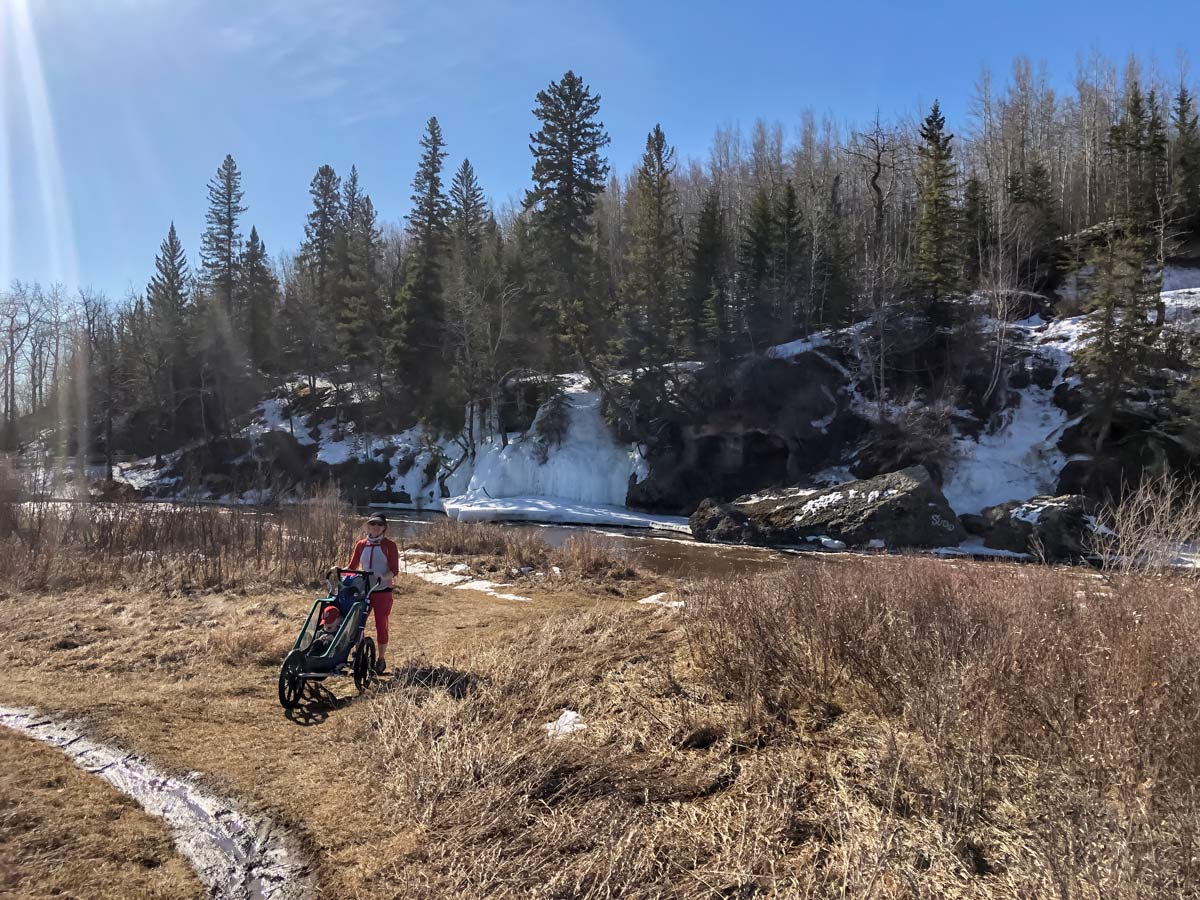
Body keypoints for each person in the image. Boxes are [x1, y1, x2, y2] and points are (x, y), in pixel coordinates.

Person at [346, 512, 398, 674]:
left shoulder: (389, 545)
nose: (376, 527)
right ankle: (358, 655)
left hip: (382, 591)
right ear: (367, 525)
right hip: (364, 590)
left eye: (380, 524)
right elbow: (352, 567)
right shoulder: (361, 545)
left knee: (381, 624)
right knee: (356, 623)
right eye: (373, 524)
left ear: (384, 528)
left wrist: (384, 576)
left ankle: (381, 659)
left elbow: (394, 570)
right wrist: (339, 572)